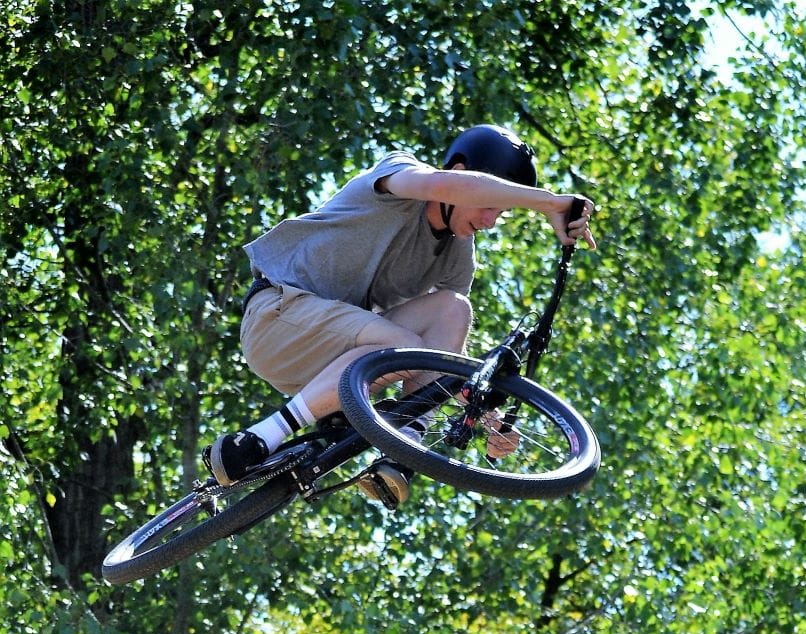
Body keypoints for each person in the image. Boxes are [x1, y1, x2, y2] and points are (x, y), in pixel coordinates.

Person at [203, 124, 595, 508]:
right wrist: (551, 202)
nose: (491, 222)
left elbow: (443, 361)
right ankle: (257, 438)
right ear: (459, 174)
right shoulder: (399, 177)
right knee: (400, 348)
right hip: (276, 318)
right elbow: (448, 186)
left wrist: (489, 419)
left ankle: (405, 447)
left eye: (502, 213)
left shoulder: (456, 256)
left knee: (452, 310)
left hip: (333, 358)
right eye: (491, 205)